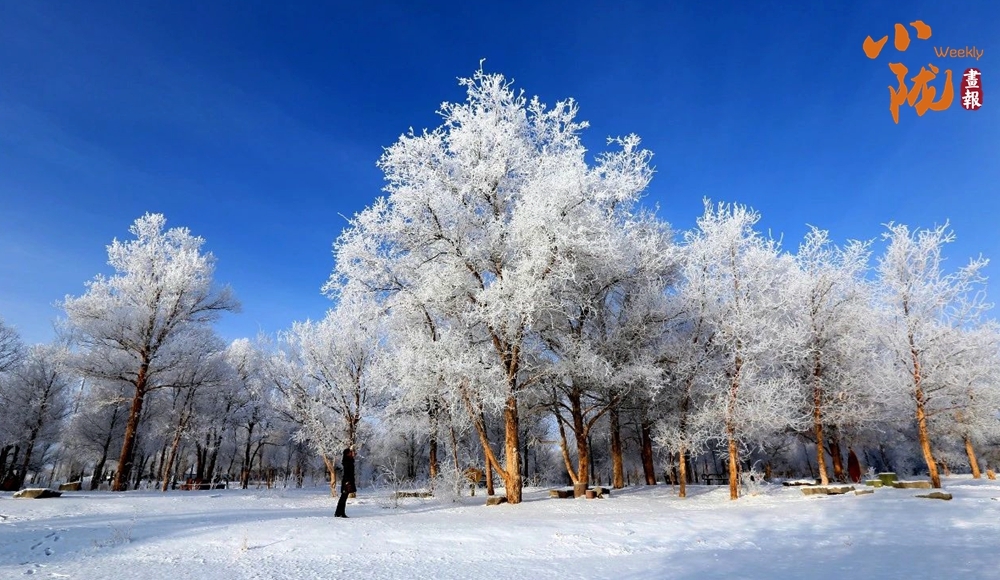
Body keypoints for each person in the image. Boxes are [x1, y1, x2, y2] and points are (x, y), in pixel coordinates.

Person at [334, 448, 356, 518]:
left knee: (344, 497)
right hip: (347, 481)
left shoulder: (349, 461)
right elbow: (347, 473)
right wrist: (347, 482)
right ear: (347, 454)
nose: (352, 453)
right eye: (350, 452)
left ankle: (339, 512)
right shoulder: (347, 462)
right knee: (343, 497)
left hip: (347, 481)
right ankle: (340, 513)